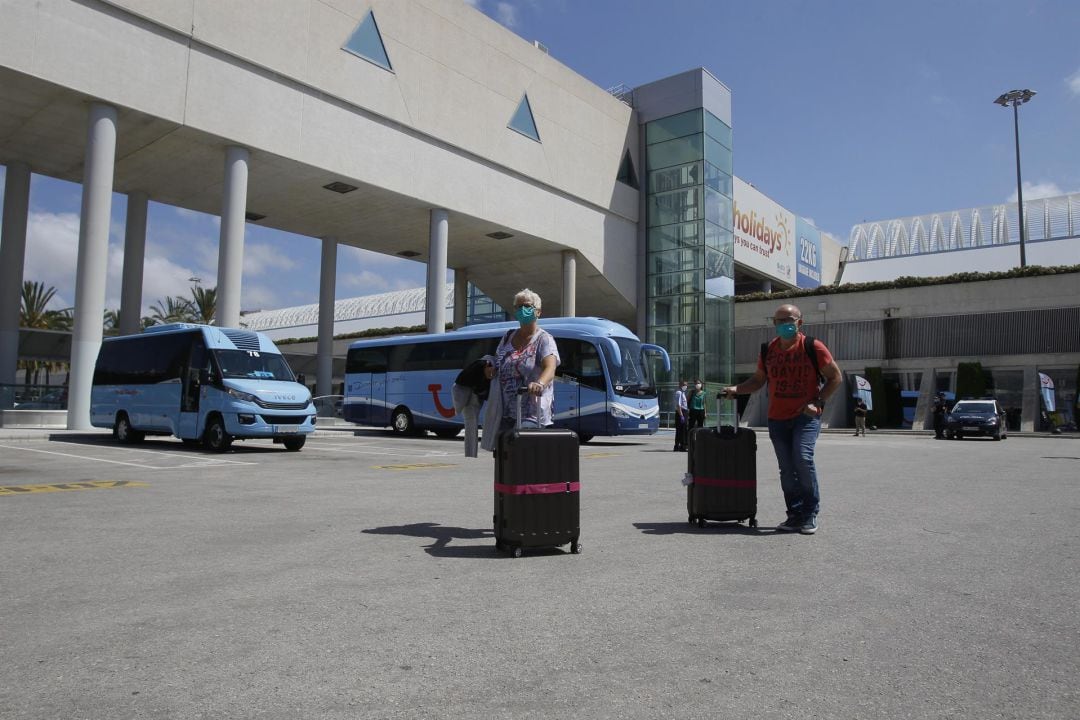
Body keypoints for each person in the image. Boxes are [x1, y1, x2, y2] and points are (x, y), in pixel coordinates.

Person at [722, 303, 842, 535]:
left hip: (805, 418)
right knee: (787, 469)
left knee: (803, 459)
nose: (785, 324)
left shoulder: (812, 346)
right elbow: (757, 381)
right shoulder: (768, 350)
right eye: (779, 321)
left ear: (800, 322)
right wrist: (736, 389)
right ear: (774, 324)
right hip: (777, 419)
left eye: (789, 320)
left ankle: (809, 513)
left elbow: (835, 377)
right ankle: (794, 514)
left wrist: (818, 402)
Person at [480, 289, 560, 450]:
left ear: (538, 312)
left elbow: (550, 367)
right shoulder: (508, 336)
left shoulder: (544, 339)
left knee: (524, 455)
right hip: (506, 411)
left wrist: (539, 383)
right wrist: (490, 368)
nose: (522, 310)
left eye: (527, 306)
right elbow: (499, 360)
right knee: (505, 456)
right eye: (518, 307)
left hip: (532, 412)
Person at [452, 357, 492, 458]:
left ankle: (471, 454)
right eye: (491, 371)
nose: (492, 374)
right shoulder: (482, 365)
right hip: (469, 394)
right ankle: (471, 455)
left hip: (472, 394)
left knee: (471, 424)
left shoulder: (486, 371)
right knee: (470, 423)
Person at [673, 379, 689, 451]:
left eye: (686, 385)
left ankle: (680, 445)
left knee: (683, 430)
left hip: (684, 412)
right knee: (681, 430)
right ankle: (680, 446)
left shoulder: (683, 393)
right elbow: (678, 405)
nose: (685, 386)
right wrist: (681, 415)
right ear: (680, 385)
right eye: (684, 385)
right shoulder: (679, 393)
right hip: (681, 412)